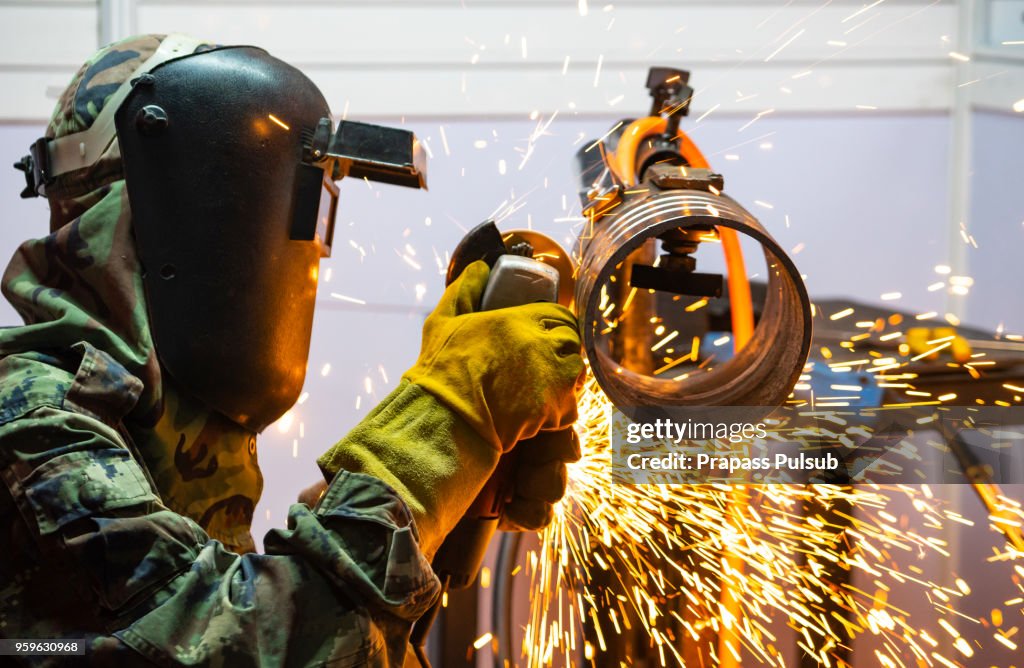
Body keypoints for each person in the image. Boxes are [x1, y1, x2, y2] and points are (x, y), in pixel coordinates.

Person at [0, 34, 584, 665]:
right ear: (182, 206)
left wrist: (455, 502)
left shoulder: (165, 423)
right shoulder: (31, 412)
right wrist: (450, 414)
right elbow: (244, 647)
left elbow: (313, 631)